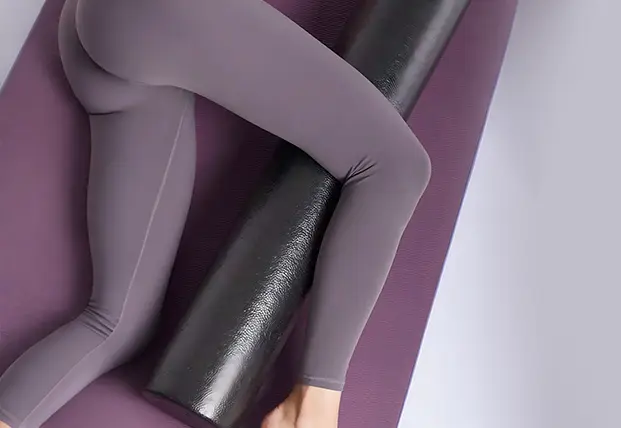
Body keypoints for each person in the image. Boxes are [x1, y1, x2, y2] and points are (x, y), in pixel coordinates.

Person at [0, 0, 431, 427]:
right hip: (150, 19)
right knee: (397, 167)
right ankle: (312, 407)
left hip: (105, 35)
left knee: (117, 324)